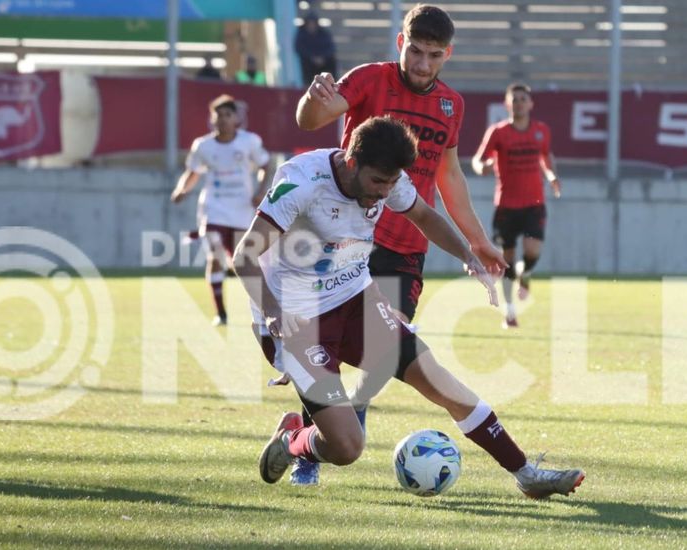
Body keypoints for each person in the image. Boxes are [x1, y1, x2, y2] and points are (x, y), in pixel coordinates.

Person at [234, 116, 585, 499]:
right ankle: (292, 441)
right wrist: (272, 312)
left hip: (355, 298)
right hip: (296, 320)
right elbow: (244, 257)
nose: (385, 193)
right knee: (347, 447)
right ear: (352, 163)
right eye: (377, 183)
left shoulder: (390, 180)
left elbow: (424, 216)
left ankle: (526, 473)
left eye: (391, 183)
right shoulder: (301, 183)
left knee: (439, 382)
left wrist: (468, 255)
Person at [291, 3, 507, 485]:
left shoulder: (452, 105)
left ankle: (340, 427)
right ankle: (314, 444)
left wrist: (477, 240)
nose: (422, 64)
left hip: (405, 246)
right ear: (400, 44)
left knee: (386, 347)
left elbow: (448, 175)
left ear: (447, 54)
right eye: (415, 51)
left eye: (434, 55)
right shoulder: (370, 79)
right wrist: (313, 98)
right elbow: (312, 119)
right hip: (346, 240)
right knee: (325, 352)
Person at [171, 94, 272, 326]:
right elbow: (193, 171)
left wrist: (260, 191)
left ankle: (263, 312)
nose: (223, 119)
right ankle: (221, 313)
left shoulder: (249, 142)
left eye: (228, 114)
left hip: (242, 209)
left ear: (236, 118)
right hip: (213, 208)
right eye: (219, 115)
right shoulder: (203, 145)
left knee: (247, 262)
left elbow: (266, 163)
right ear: (212, 119)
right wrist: (181, 189)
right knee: (214, 251)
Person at [472, 82, 560, 328]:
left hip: (534, 204)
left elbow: (545, 156)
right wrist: (483, 168)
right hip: (507, 207)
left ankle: (527, 273)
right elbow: (478, 161)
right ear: (507, 104)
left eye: (523, 99)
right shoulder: (498, 132)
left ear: (530, 104)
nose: (519, 103)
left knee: (532, 252)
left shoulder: (541, 131)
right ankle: (510, 313)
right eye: (515, 99)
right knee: (506, 262)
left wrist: (551, 176)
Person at [294, 12, 336, 87]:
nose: (311, 26)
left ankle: (332, 85)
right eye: (309, 23)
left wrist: (322, 57)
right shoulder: (301, 34)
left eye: (313, 23)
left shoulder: (323, 33)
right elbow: (299, 48)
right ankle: (308, 85)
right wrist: (312, 57)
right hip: (309, 62)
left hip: (324, 61)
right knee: (305, 64)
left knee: (332, 61)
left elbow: (331, 47)